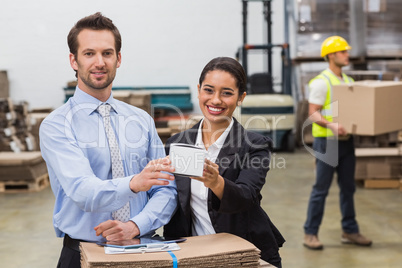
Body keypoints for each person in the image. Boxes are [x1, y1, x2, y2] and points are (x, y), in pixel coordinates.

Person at [39, 12, 177, 268]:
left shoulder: (141, 120)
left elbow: (166, 189)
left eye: (107, 53)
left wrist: (136, 225)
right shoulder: (56, 125)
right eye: (89, 53)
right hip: (82, 254)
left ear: (118, 58)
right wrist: (135, 183)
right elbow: (82, 190)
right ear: (74, 60)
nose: (99, 62)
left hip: (143, 247)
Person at [163, 57, 285, 267]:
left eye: (227, 93)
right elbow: (168, 199)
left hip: (243, 254)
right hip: (193, 254)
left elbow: (246, 196)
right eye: (209, 90)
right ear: (199, 90)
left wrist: (216, 183)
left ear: (241, 97)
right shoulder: (178, 144)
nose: (216, 100)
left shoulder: (255, 145)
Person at [303, 36, 372, 250]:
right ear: (331, 55)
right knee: (321, 189)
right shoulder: (322, 83)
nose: (347, 55)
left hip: (346, 142)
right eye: (343, 51)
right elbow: (312, 114)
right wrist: (332, 126)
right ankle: (310, 233)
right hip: (327, 142)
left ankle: (349, 230)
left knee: (348, 188)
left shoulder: (348, 82)